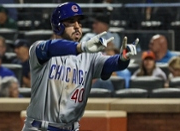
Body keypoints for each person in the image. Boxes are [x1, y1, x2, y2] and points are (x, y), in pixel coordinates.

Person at [22, 2, 137, 131]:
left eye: (79, 22)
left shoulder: (89, 56)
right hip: (39, 127)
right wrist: (81, 47)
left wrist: (123, 58)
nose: (77, 27)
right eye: (71, 22)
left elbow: (111, 64)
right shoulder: (39, 49)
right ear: (58, 25)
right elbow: (50, 48)